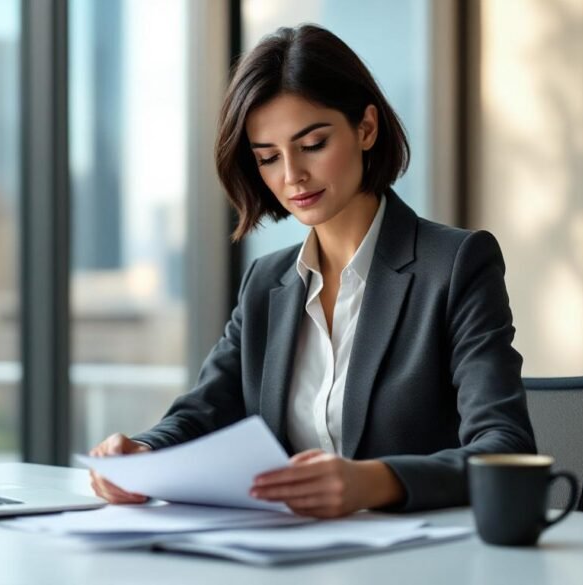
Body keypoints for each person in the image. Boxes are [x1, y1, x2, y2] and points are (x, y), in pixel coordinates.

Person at [88, 24, 536, 518]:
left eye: (313, 143)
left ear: (366, 128)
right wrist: (142, 456)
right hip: (293, 554)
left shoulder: (454, 264)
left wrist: (374, 482)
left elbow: (504, 445)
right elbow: (204, 412)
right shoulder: (267, 283)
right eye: (268, 158)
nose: (291, 175)